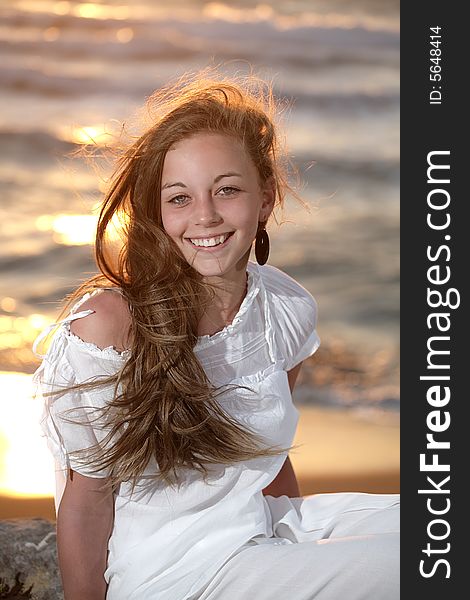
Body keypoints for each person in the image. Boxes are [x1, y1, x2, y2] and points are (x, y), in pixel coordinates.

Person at [32, 70, 400, 600]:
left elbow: (266, 456)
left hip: (265, 533)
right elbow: (88, 499)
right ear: (158, 212)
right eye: (179, 198)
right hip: (178, 573)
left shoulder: (286, 308)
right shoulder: (110, 328)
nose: (204, 216)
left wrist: (297, 556)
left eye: (226, 190)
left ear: (265, 199)